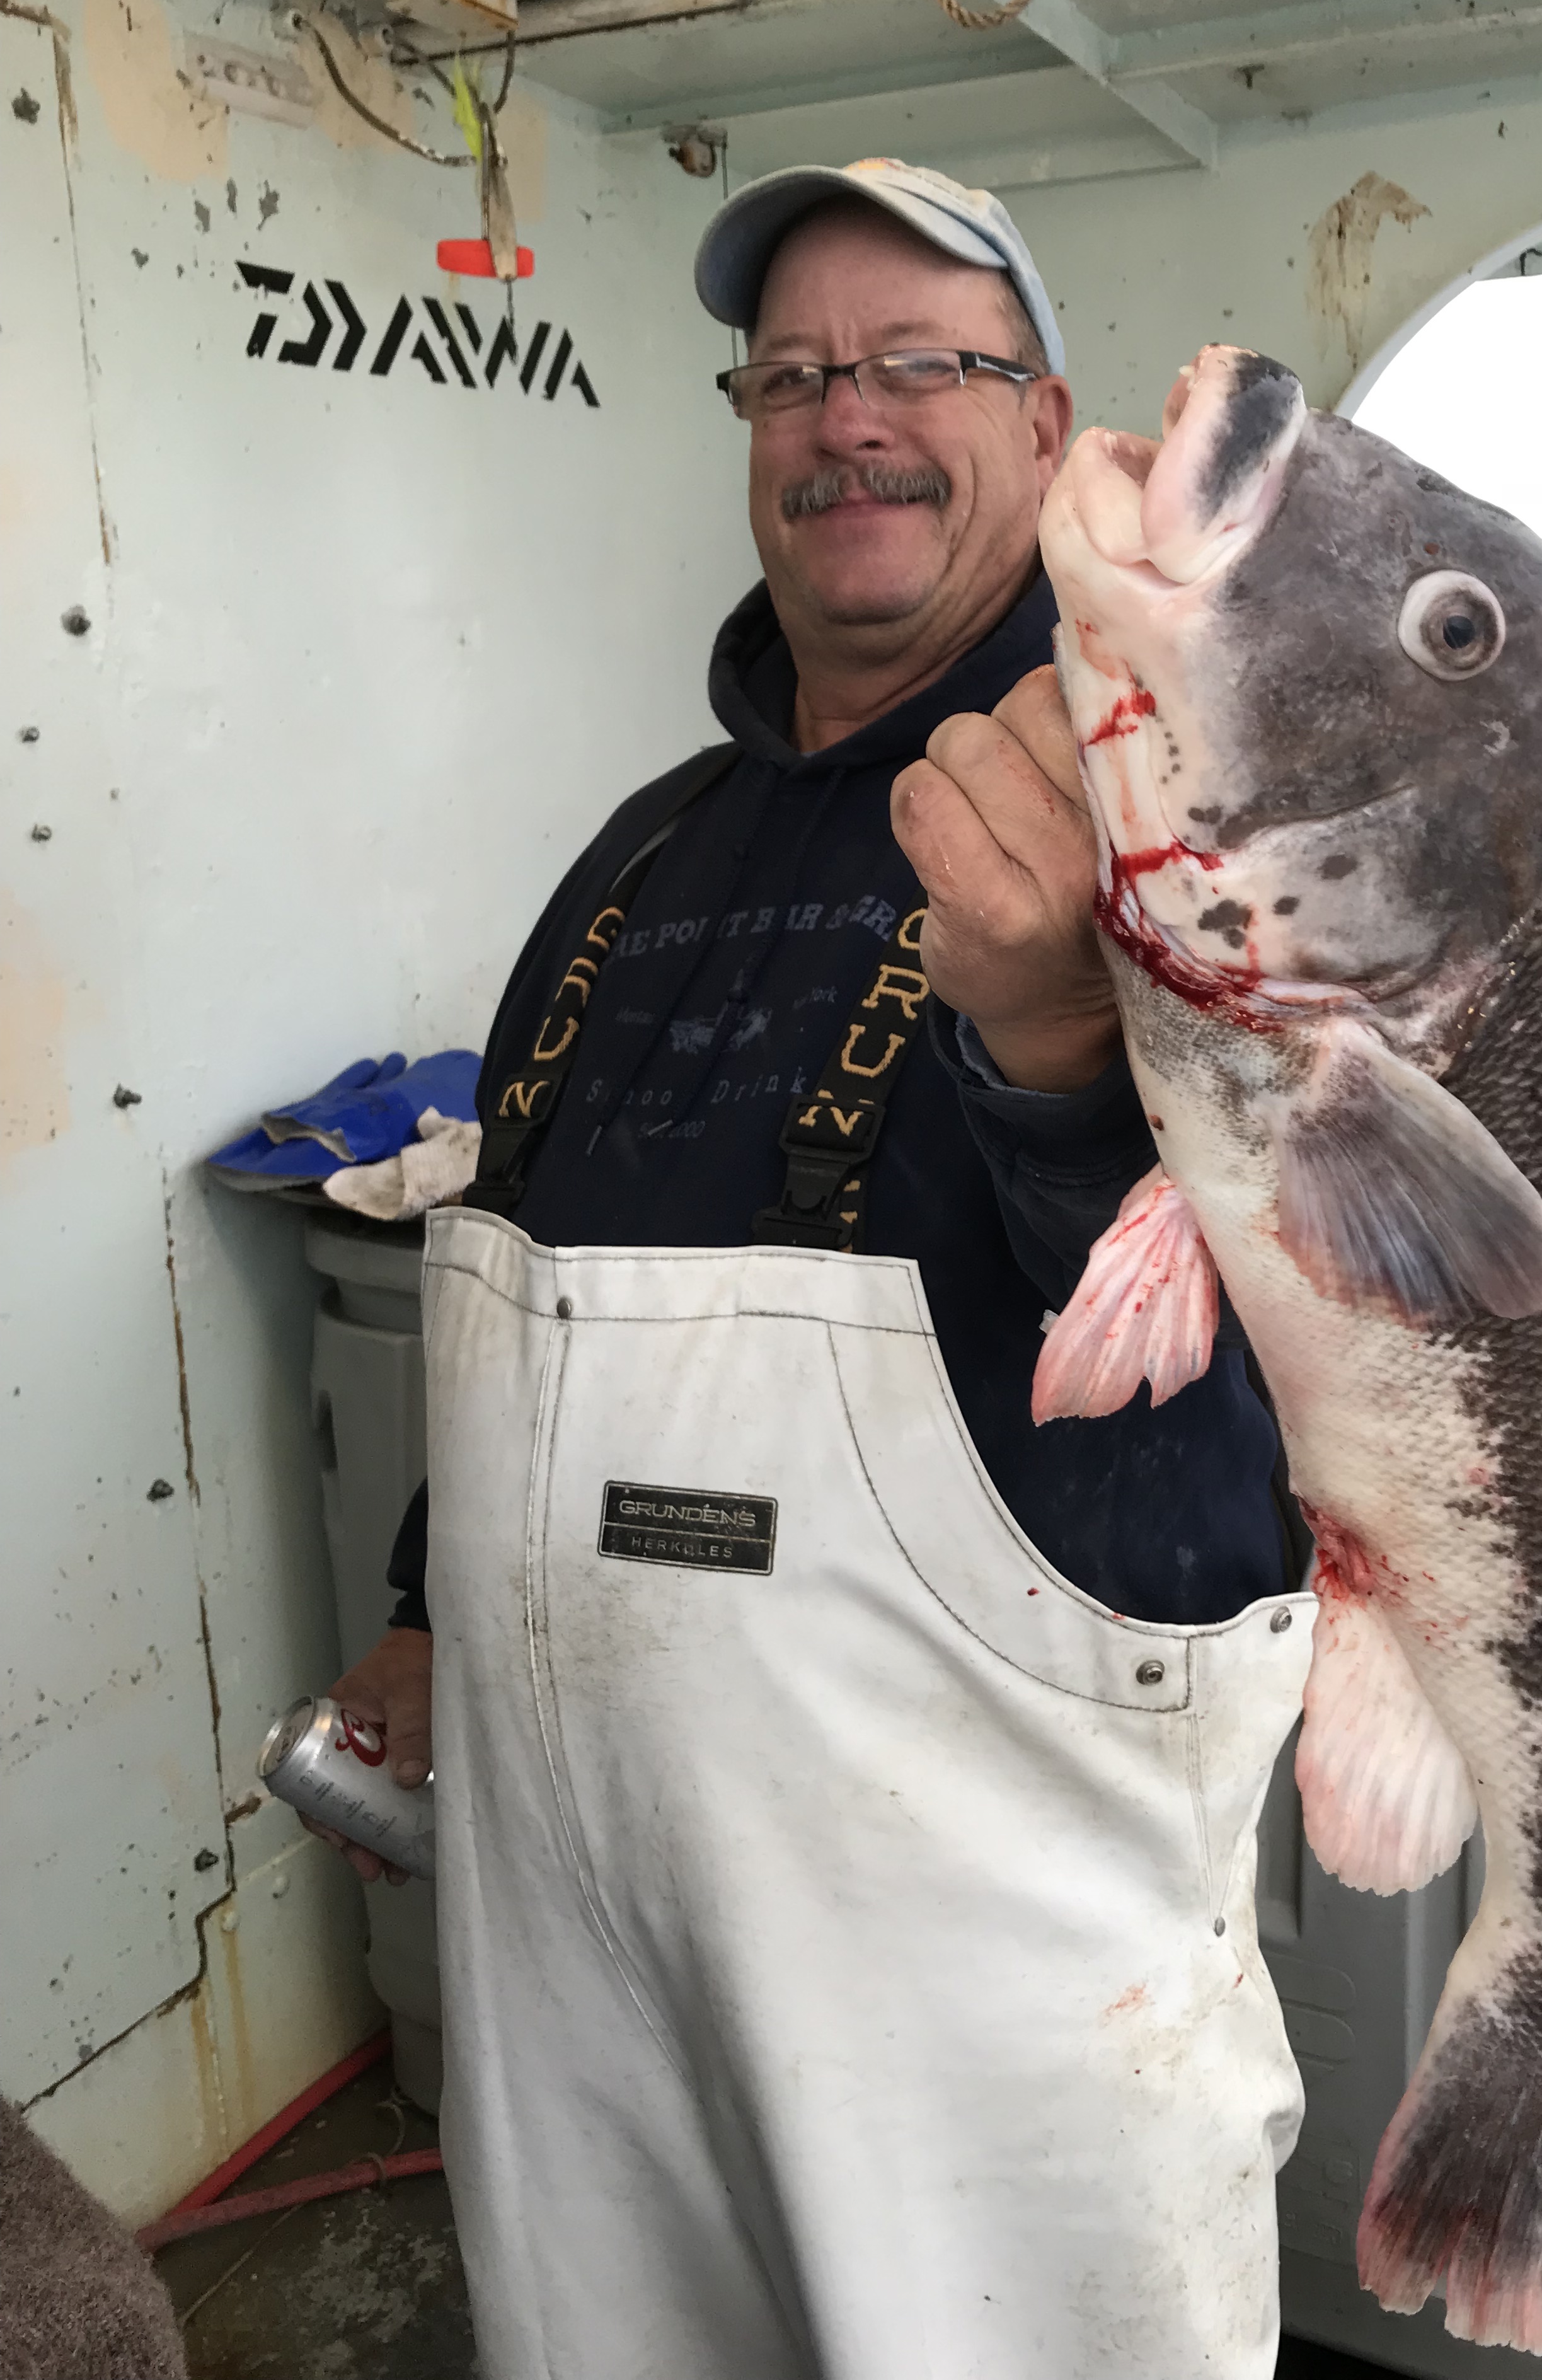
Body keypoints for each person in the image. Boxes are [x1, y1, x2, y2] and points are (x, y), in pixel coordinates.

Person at [318, 158, 1315, 2377]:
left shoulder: (1187, 811)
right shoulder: (644, 848)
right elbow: (535, 1260)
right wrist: (423, 1608)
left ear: (1044, 428)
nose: (845, 421)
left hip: (988, 1977)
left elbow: (1269, 1409)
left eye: (917, 366)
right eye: (790, 377)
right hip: (571, 1945)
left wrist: (1065, 1056)